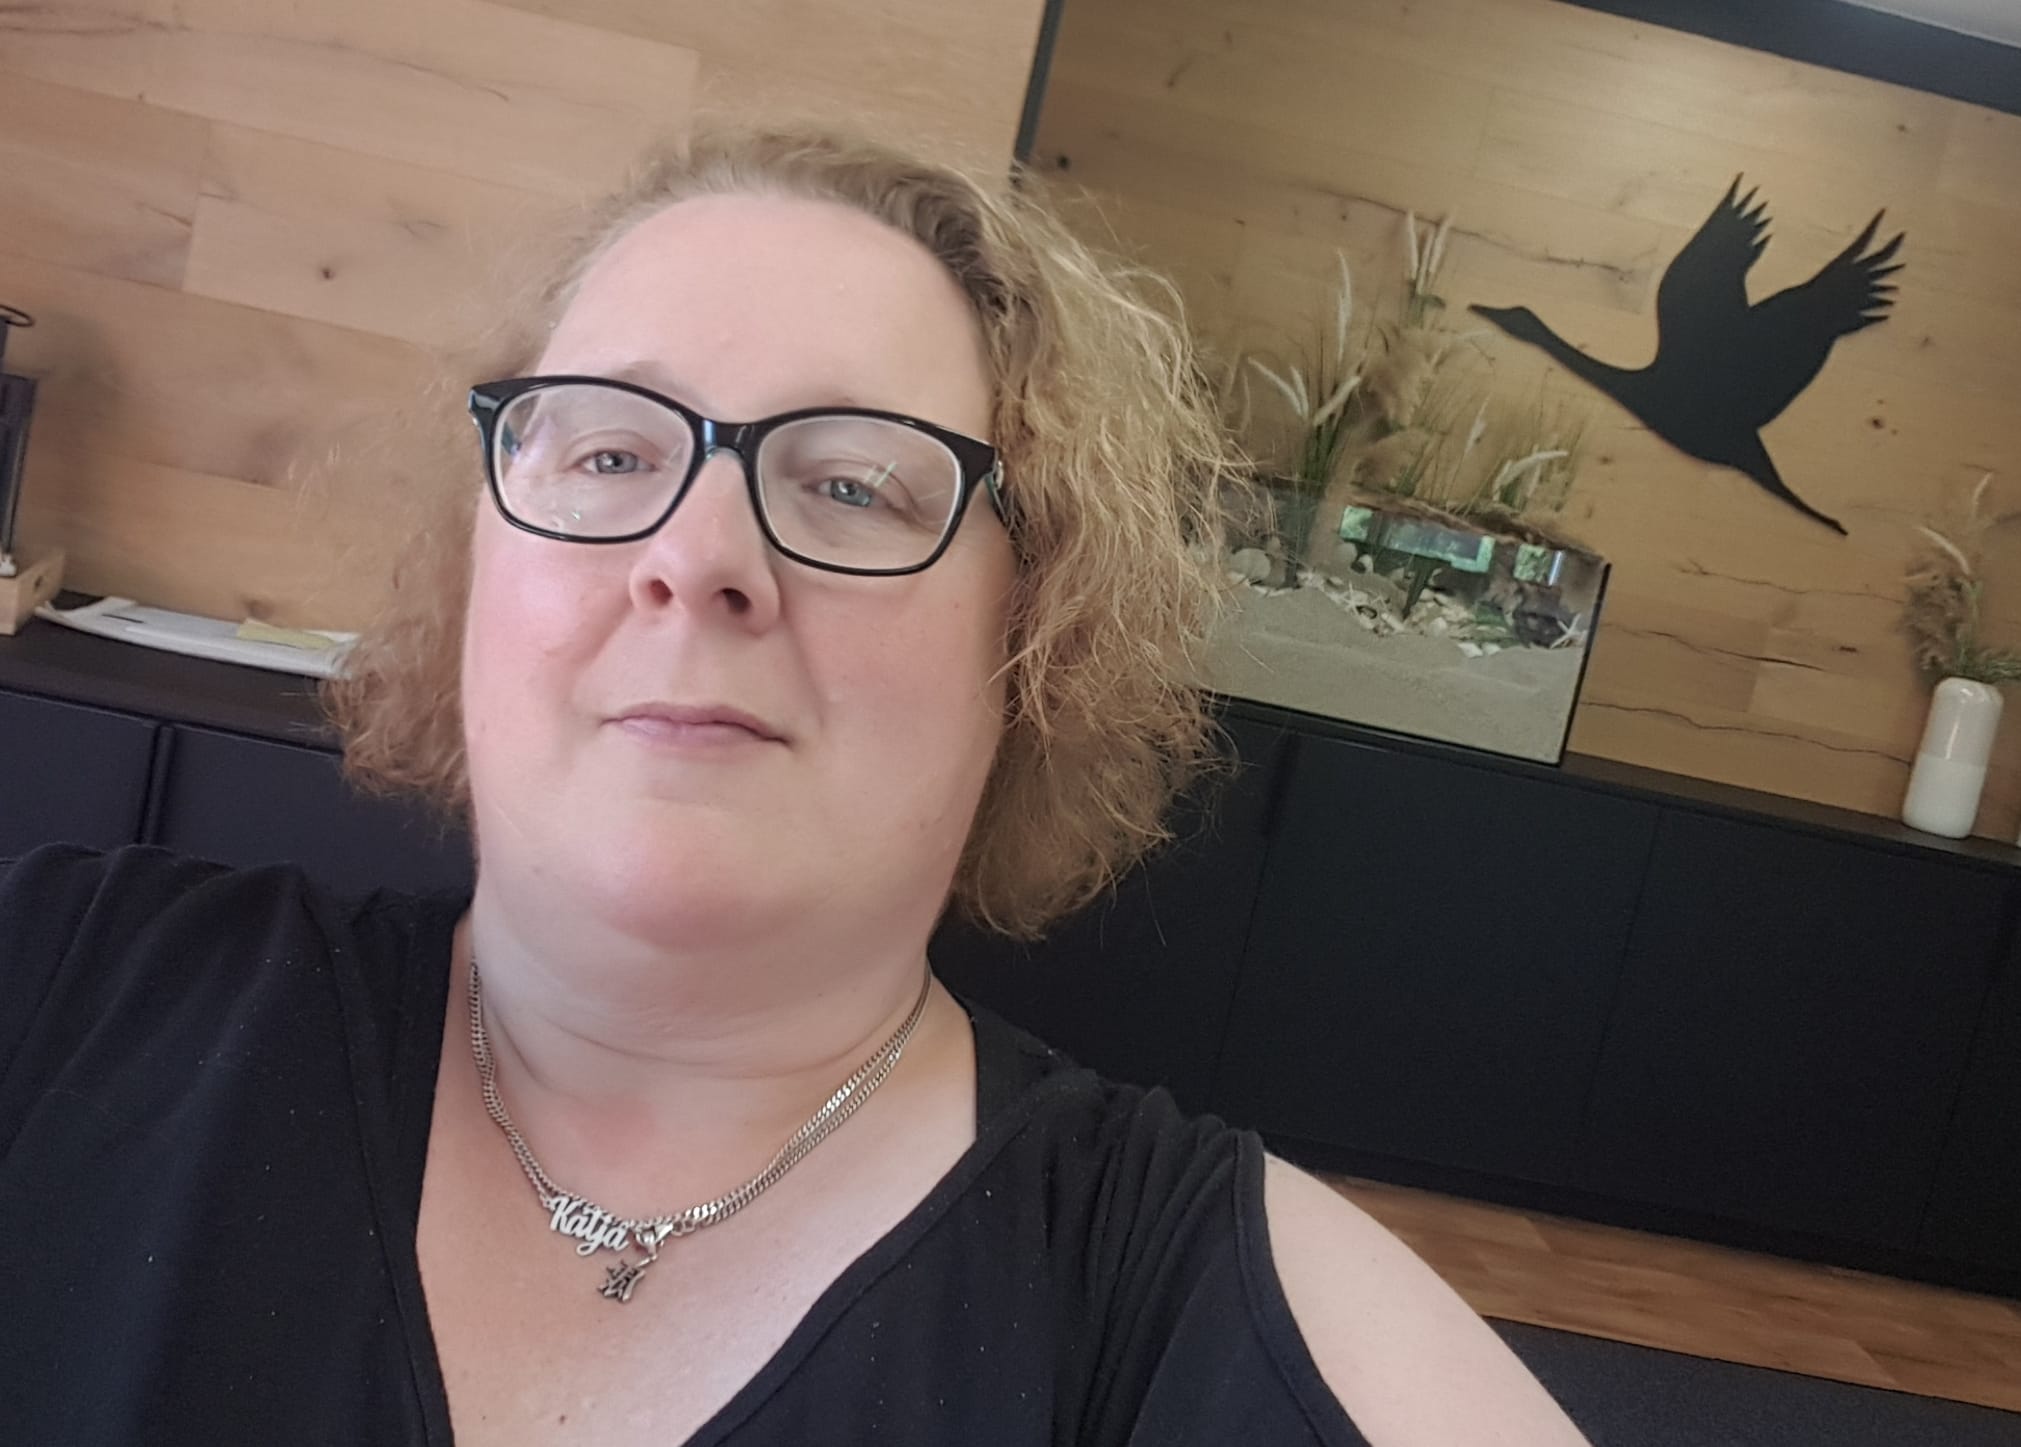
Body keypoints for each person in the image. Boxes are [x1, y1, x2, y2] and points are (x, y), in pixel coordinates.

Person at [0, 123, 1589, 1446]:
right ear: (478, 567)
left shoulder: (1195, 1309)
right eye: (609, 454)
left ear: (1034, 638)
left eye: (850, 483)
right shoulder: (62, 987)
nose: (696, 556)